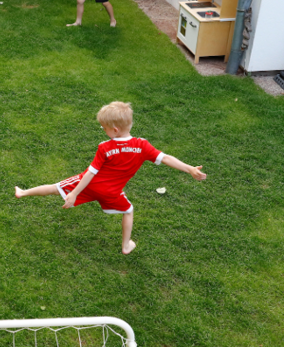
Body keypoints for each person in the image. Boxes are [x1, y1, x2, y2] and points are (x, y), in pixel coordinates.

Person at [14, 102, 207, 255]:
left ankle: (23, 193)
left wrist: (73, 193)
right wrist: (189, 168)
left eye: (104, 128)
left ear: (114, 130)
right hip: (112, 192)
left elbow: (91, 172)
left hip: (89, 184)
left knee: (56, 187)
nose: (103, 130)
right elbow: (165, 158)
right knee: (128, 210)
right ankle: (126, 245)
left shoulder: (105, 147)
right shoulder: (142, 146)